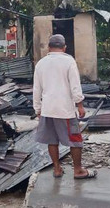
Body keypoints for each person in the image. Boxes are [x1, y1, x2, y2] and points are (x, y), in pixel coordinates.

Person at [33, 34, 96, 179]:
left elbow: (36, 89)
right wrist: (80, 105)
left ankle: (57, 169)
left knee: (52, 140)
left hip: (48, 109)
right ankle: (78, 170)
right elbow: (75, 86)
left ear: (49, 47)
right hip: (65, 110)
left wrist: (38, 109)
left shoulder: (41, 64)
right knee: (75, 140)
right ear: (64, 47)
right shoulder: (69, 62)